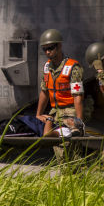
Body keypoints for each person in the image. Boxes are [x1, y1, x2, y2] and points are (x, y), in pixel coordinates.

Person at [35, 29, 86, 162]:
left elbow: (78, 96)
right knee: (60, 153)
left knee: (71, 152)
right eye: (44, 49)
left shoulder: (73, 67)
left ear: (59, 46)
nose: (47, 52)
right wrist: (38, 113)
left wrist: (79, 122)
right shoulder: (47, 67)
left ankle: (77, 175)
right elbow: (44, 91)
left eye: (50, 48)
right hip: (55, 113)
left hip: (70, 111)